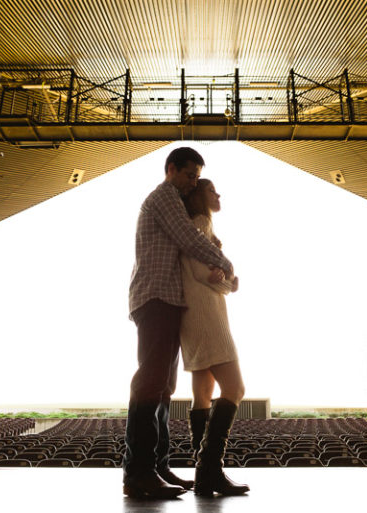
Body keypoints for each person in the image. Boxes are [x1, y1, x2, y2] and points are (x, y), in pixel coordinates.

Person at [123, 147, 234, 499]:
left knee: (165, 385)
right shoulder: (164, 197)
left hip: (169, 299)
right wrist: (225, 262)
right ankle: (138, 472)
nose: (193, 183)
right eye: (189, 175)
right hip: (154, 296)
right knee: (151, 381)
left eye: (197, 178)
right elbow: (188, 238)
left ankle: (157, 466)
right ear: (171, 169)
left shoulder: (173, 196)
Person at [180, 179, 249, 496]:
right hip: (206, 315)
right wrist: (228, 282)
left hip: (193, 314)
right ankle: (209, 469)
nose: (218, 195)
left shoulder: (197, 225)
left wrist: (225, 281)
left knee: (203, 393)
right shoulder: (200, 222)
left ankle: (203, 471)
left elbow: (210, 275)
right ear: (199, 197)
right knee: (235, 387)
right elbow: (202, 274)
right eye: (212, 190)